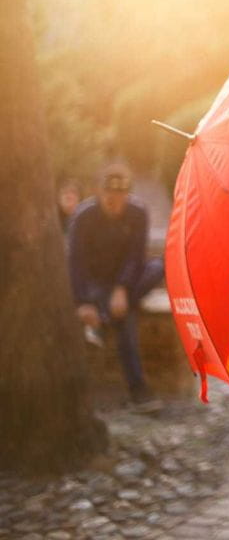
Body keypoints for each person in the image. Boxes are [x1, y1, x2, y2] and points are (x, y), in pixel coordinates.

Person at [68, 162, 165, 412]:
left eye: (120, 196)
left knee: (158, 267)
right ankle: (138, 390)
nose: (114, 202)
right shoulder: (83, 216)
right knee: (126, 319)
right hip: (96, 285)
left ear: (127, 195)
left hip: (129, 282)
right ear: (99, 193)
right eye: (109, 196)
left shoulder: (137, 212)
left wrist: (121, 289)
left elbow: (136, 256)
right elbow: (75, 262)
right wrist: (83, 302)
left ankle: (104, 319)